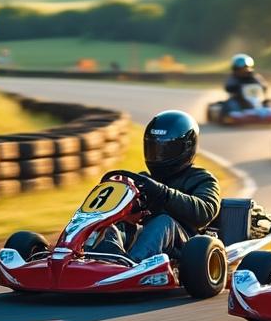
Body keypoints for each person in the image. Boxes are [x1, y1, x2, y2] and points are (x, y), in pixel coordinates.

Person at [93, 110, 221, 261]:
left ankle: (131, 266)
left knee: (163, 221)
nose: (159, 155)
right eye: (154, 149)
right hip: (144, 237)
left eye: (166, 150)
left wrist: (164, 194)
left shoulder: (202, 179)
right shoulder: (142, 180)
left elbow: (205, 212)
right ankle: (102, 261)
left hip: (185, 247)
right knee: (108, 223)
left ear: (187, 147)